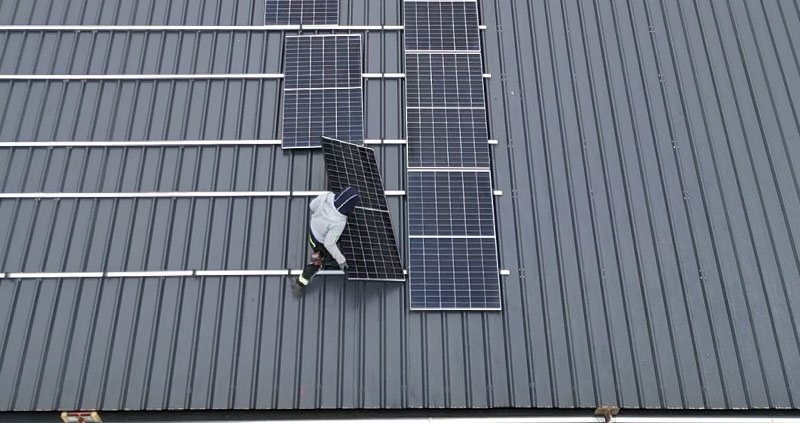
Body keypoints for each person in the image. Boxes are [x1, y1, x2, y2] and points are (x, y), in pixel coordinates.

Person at [293, 186, 360, 297]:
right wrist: (341, 261)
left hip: (312, 231)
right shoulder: (339, 222)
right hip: (320, 243)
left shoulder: (327, 196)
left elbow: (312, 206)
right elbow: (329, 244)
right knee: (319, 263)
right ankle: (300, 283)